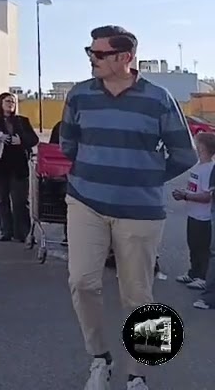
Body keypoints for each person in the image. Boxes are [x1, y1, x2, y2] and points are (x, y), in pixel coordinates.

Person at [60, 26, 194, 390]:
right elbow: (68, 145)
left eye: (99, 54)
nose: (91, 58)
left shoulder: (159, 98)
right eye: (89, 51)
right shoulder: (79, 95)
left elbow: (185, 154)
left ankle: (139, 374)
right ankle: (99, 359)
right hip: (85, 202)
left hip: (140, 209)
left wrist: (146, 176)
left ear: (125, 58)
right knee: (82, 282)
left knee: (139, 295)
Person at [0, 92, 39, 242]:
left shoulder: (22, 121)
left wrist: (20, 140)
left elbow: (34, 139)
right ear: (0, 103)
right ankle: (6, 231)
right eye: (7, 101)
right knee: (2, 199)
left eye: (13, 102)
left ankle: (23, 233)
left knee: (20, 200)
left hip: (18, 166)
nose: (11, 104)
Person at [176, 132, 214, 292]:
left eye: (196, 145)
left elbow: (207, 196)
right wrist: (185, 193)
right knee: (193, 245)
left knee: (201, 248)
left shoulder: (209, 169)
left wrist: (186, 195)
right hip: (192, 214)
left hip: (203, 217)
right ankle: (193, 272)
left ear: (202, 148)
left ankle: (202, 277)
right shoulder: (198, 166)